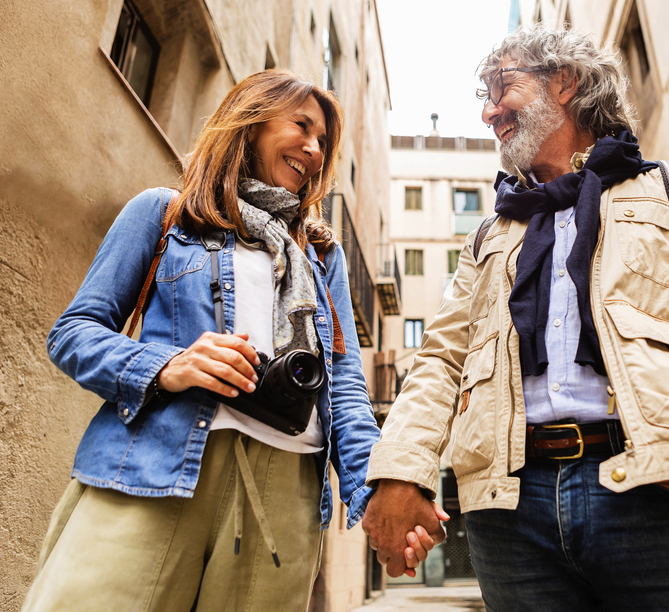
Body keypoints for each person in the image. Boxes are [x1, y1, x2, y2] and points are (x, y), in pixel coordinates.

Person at [362, 26, 669, 611]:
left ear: (564, 82)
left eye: (502, 88)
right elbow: (441, 361)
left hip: (663, 498)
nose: (490, 113)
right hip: (511, 516)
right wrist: (401, 472)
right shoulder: (490, 237)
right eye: (484, 100)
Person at [25, 69, 434, 612]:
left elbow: (345, 389)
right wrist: (170, 364)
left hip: (284, 489)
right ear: (251, 121)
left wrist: (373, 495)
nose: (313, 149)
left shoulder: (321, 256)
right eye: (302, 126)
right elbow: (72, 333)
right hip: (154, 468)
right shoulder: (164, 213)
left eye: (323, 143)